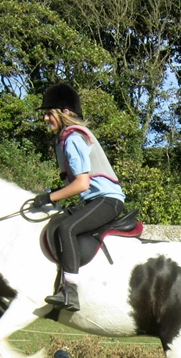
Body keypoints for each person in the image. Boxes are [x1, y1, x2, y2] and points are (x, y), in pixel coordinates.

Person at [33, 82, 125, 311]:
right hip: (94, 200)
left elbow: (81, 183)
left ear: (64, 112)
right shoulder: (64, 140)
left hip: (108, 201)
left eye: (49, 113)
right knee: (57, 222)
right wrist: (47, 196)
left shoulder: (73, 138)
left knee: (67, 229)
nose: (45, 118)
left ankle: (70, 292)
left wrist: (50, 198)